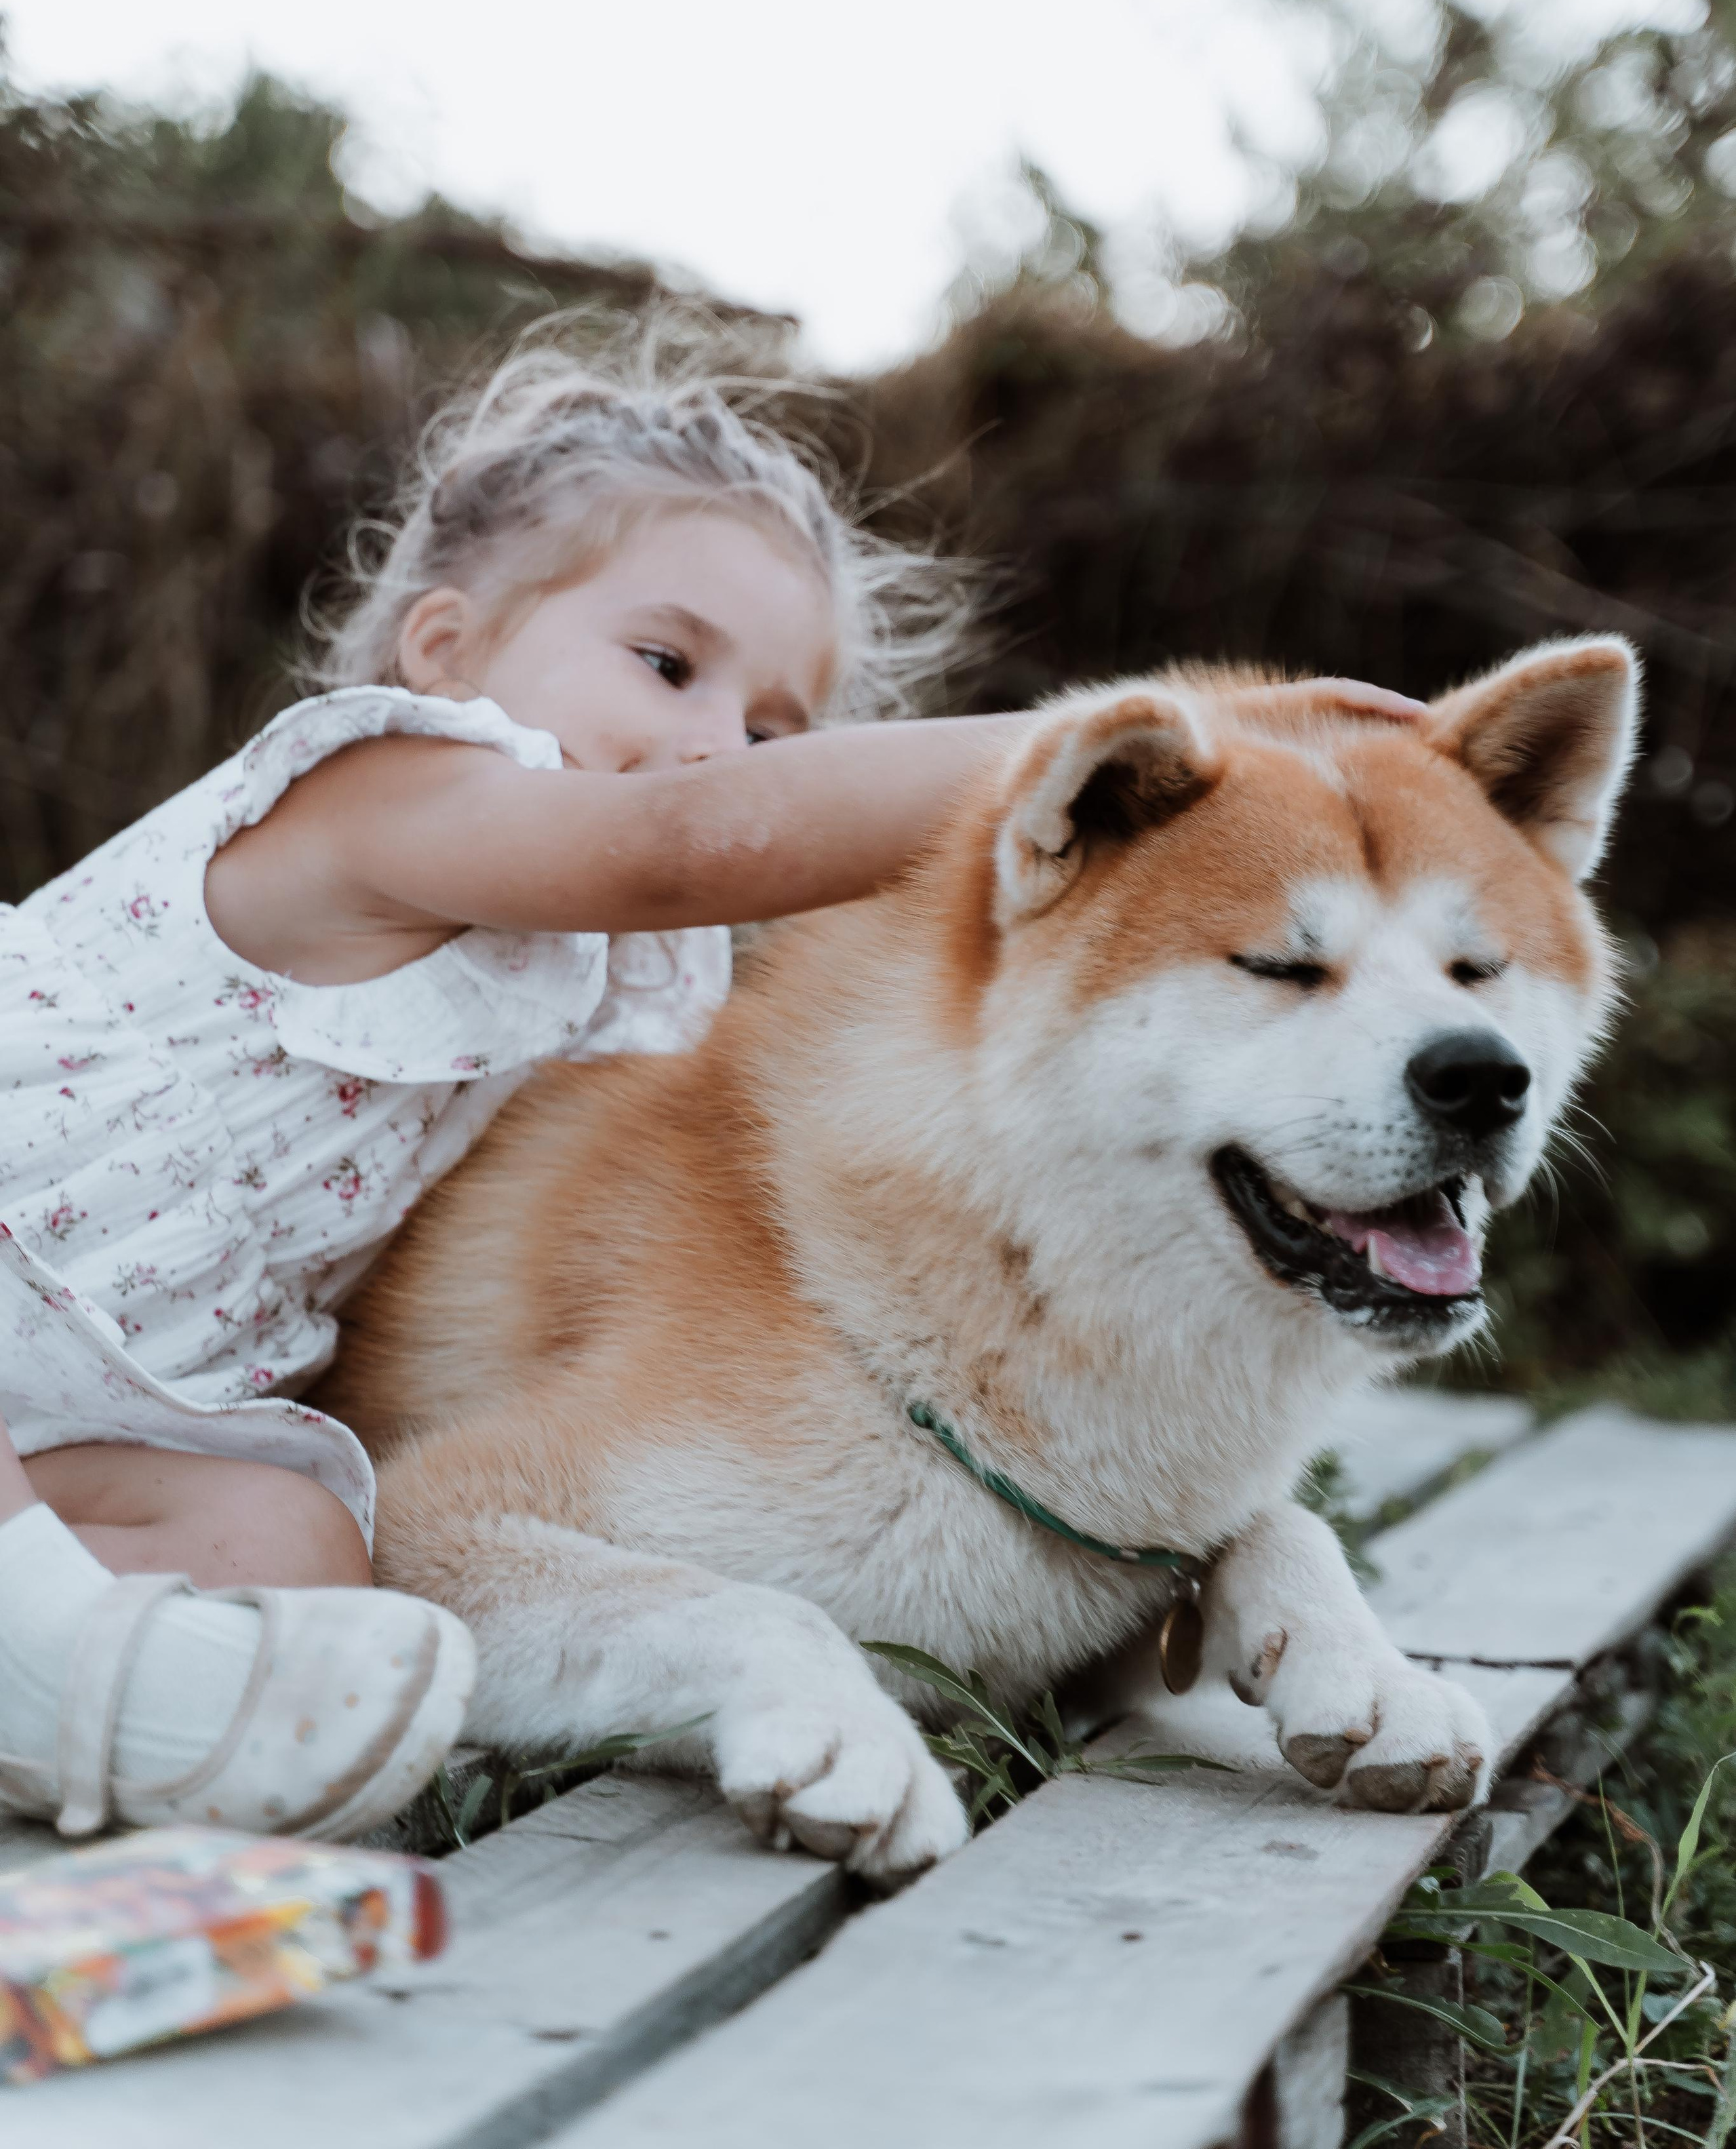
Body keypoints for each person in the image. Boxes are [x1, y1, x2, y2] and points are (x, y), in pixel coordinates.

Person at [0, 311, 1421, 1845]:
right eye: (667, 665)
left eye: (768, 728)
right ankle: (43, 1661)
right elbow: (696, 843)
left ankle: (70, 1683)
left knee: (298, 1552)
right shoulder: (378, 798)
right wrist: (1218, 746)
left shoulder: (619, 987)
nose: (712, 745)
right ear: (445, 647)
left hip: (91, 1412)